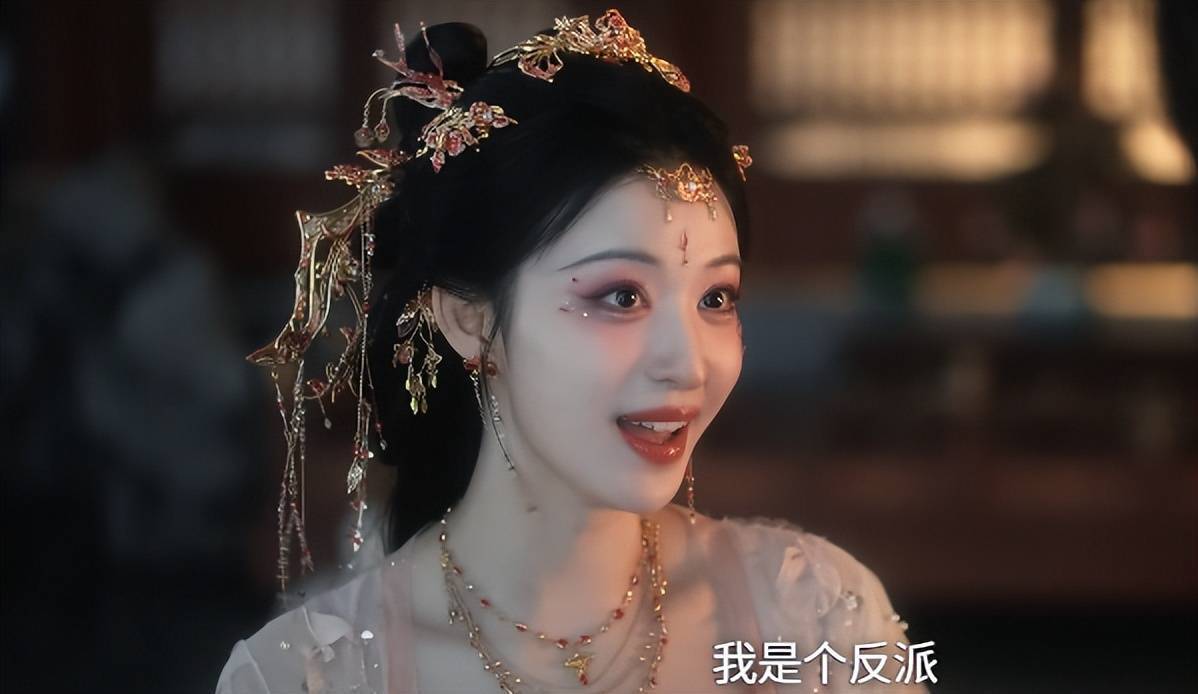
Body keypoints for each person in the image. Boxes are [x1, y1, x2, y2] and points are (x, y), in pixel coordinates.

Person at [217, 10, 928, 694]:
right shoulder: (305, 676)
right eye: (620, 296)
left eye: (716, 298)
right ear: (468, 319)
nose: (687, 365)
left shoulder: (814, 619)